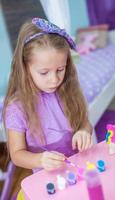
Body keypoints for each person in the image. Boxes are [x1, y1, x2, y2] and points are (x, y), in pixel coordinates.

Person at [3, 17, 92, 173]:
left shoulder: (68, 90)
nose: (54, 80)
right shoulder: (17, 108)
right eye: (44, 72)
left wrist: (84, 131)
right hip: (47, 176)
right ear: (25, 68)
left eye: (60, 69)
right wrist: (39, 159)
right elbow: (17, 154)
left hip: (79, 167)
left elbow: (84, 122)